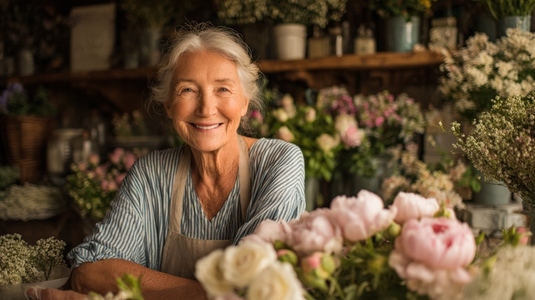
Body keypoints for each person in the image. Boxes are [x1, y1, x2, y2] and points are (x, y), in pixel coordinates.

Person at [28, 22, 305, 300]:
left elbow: (255, 283)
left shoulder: (279, 162)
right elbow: (90, 272)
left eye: (223, 89)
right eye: (188, 90)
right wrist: (212, 295)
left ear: (245, 102)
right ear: (168, 105)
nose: (206, 108)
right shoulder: (151, 174)